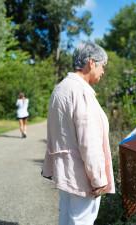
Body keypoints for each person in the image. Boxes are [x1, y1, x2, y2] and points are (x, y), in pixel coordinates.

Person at [42, 41, 115, 225]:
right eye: (102, 66)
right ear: (91, 63)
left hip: (65, 171)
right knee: (81, 220)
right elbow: (89, 142)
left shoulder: (60, 88)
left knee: (67, 218)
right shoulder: (81, 92)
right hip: (81, 175)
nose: (103, 72)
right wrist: (98, 179)